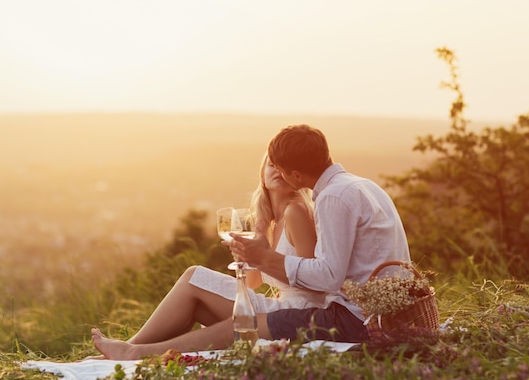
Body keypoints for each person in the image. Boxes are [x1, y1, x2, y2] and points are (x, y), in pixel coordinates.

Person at [92, 124, 410, 358]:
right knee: (229, 311)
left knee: (245, 323)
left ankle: (136, 354)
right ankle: (135, 350)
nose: (279, 176)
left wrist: (265, 257)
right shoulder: (360, 185)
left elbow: (328, 277)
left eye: (283, 171)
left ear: (297, 176)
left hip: (355, 319)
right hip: (368, 312)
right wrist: (257, 252)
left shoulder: (332, 198)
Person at [90, 154, 322, 359]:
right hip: (280, 305)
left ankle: (129, 349)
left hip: (295, 312)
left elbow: (312, 280)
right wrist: (249, 255)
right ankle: (129, 351)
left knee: (194, 276)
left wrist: (261, 257)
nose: (277, 171)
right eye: (271, 164)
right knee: (196, 300)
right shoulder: (268, 221)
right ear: (262, 173)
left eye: (284, 166)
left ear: (295, 175)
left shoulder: (296, 212)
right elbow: (254, 282)